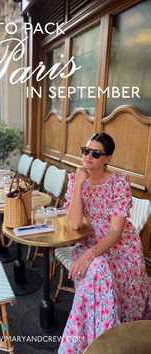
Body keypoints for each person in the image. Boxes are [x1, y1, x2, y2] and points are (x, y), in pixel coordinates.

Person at [59, 133, 151, 354]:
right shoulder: (76, 180)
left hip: (119, 247)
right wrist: (79, 186)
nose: (88, 156)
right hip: (87, 241)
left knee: (97, 270)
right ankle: (101, 340)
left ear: (108, 158)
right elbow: (73, 224)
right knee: (98, 271)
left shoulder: (119, 183)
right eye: (85, 150)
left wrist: (89, 255)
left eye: (96, 153)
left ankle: (95, 342)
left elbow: (116, 232)